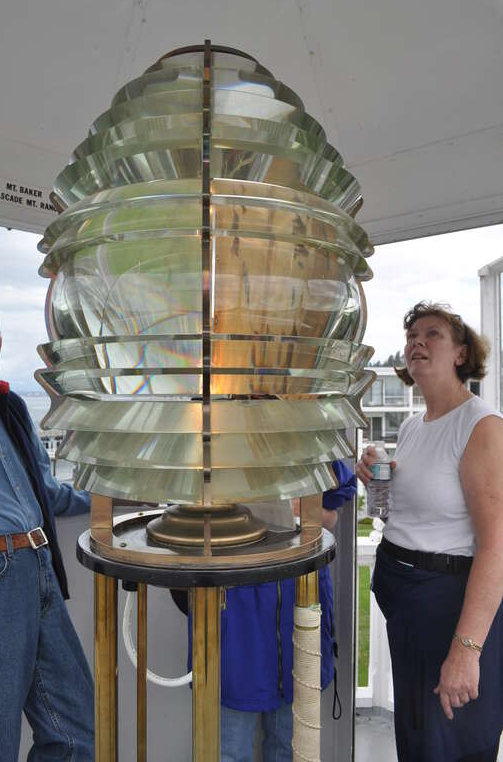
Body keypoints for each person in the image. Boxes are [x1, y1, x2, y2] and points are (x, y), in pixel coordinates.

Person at [356, 301, 503, 762]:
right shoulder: (416, 425)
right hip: (409, 606)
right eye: (411, 335)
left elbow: (496, 545)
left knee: (452, 744)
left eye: (433, 334)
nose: (417, 341)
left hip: (449, 607)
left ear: (461, 354)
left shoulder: (481, 426)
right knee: (419, 743)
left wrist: (466, 650)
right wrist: (378, 484)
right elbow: (410, 519)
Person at [0, 295, 94, 762]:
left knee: (76, 730)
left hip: (38, 569)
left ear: (0, 346)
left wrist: (119, 495)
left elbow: (47, 492)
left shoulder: (10, 407)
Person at [176, 459, 356, 761]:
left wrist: (307, 512)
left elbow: (334, 505)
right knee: (229, 749)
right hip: (234, 610)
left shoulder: (306, 435)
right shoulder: (211, 441)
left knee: (291, 747)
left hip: (297, 604)